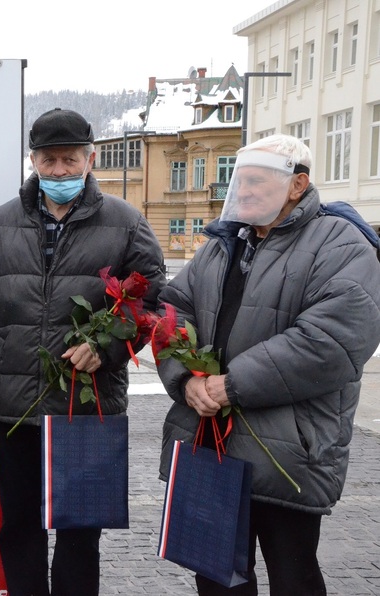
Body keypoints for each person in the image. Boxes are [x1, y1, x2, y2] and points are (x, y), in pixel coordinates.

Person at [156, 134, 380, 595]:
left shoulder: (341, 243)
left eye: (257, 181)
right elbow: (171, 311)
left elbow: (331, 341)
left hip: (289, 448)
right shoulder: (224, 244)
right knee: (216, 574)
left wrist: (229, 385)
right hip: (210, 438)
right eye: (241, 180)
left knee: (293, 574)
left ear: (298, 184)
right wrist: (186, 379)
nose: (244, 191)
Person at [0, 108, 165, 595]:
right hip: (15, 408)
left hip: (85, 406)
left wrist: (108, 345)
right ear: (33, 160)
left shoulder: (127, 224)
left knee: (79, 536)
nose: (59, 172)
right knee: (20, 529)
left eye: (69, 160)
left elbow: (152, 303)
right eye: (48, 161)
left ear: (90, 159)